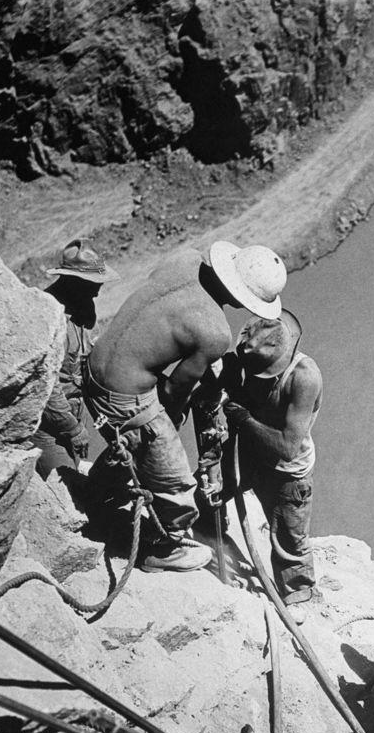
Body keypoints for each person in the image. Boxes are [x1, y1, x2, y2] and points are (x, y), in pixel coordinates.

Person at [83, 241, 286, 572]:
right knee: (173, 479)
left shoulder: (185, 259)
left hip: (95, 366)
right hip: (122, 396)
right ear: (243, 298)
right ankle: (162, 549)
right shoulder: (215, 332)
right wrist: (169, 429)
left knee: (139, 441)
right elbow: (175, 390)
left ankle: (100, 489)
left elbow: (164, 324)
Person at [197, 309, 322, 605]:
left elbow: (287, 447)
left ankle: (298, 593)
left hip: (286, 471)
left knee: (289, 540)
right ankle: (209, 537)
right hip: (251, 451)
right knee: (208, 491)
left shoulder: (304, 378)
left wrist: (244, 419)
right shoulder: (250, 358)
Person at [30, 240, 118, 477]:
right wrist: (72, 429)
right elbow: (47, 385)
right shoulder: (45, 313)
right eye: (92, 284)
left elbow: (90, 362)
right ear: (71, 280)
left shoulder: (86, 307)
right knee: (68, 489)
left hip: (76, 419)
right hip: (46, 427)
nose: (98, 291)